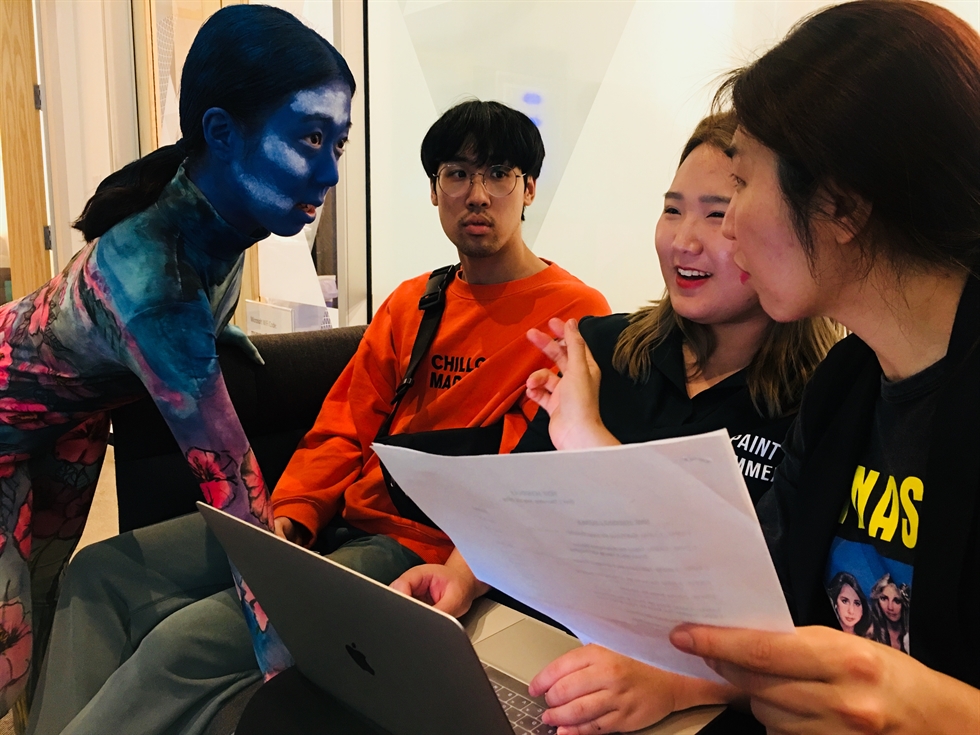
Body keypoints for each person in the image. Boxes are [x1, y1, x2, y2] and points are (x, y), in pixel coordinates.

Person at [27, 99, 609, 735]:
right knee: (97, 574)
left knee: (183, 645)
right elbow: (343, 425)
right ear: (435, 190)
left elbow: (528, 478)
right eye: (456, 173)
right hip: (335, 520)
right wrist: (293, 518)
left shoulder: (573, 314)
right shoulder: (415, 300)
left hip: (419, 549)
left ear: (528, 189)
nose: (477, 194)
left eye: (498, 173)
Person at [391, 111, 841, 735]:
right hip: (543, 644)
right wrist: (461, 578)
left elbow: (802, 635)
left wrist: (673, 684)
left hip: (702, 694)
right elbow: (522, 495)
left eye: (717, 213)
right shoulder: (604, 345)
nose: (685, 239)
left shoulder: (827, 398)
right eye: (672, 209)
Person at [0, 3, 353, 723]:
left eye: (338, 144)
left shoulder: (229, 213)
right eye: (310, 137)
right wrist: (285, 669)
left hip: (67, 420)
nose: (329, 170)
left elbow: (196, 303)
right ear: (222, 134)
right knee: (6, 647)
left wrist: (214, 338)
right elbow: (236, 496)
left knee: (42, 597)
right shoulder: (151, 280)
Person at [661, 2, 980, 733]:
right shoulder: (843, 384)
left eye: (739, 187)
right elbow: (776, 620)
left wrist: (944, 714)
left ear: (843, 202)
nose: (725, 225)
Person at [869, 573, 909, 652]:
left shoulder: (909, 636)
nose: (890, 607)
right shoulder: (870, 631)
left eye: (897, 601)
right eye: (884, 598)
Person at [827, 571, 872, 637]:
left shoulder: (867, 641)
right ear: (835, 602)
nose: (851, 611)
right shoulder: (824, 633)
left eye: (857, 603)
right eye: (845, 601)